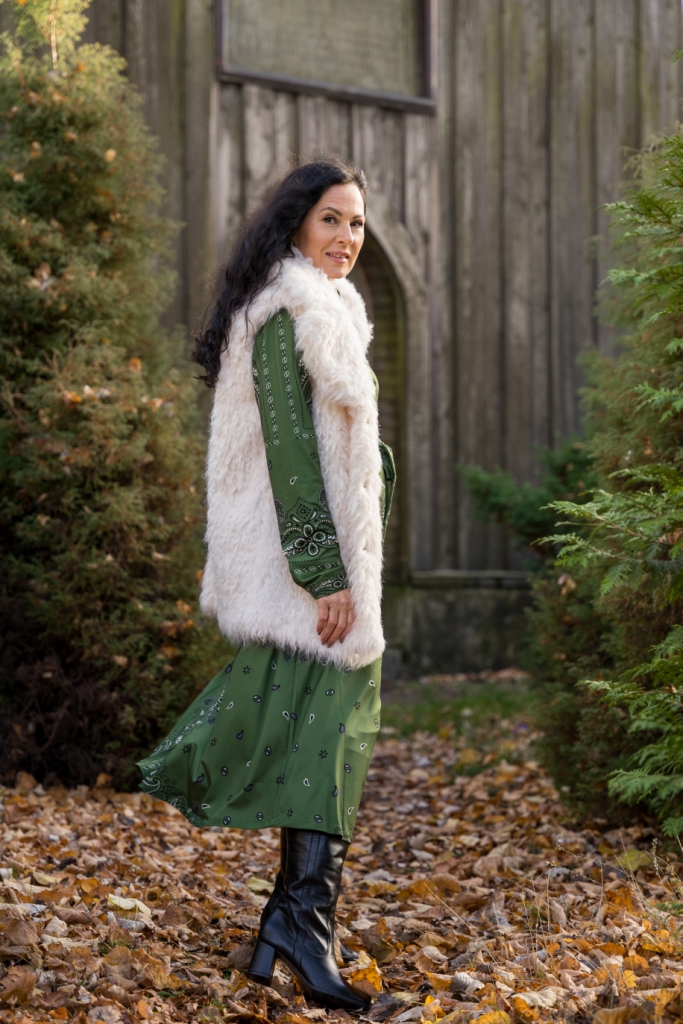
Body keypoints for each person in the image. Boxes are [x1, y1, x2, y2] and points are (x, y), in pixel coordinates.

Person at [136, 158, 395, 1011]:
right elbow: (288, 454)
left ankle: (294, 923)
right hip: (307, 574)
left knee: (329, 743)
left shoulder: (328, 309)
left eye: (356, 223)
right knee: (328, 742)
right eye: (331, 219)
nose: (346, 237)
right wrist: (323, 573)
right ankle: (299, 926)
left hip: (333, 565)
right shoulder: (289, 311)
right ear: (294, 225)